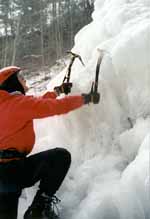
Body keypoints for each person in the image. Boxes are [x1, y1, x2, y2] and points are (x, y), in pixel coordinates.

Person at [0, 66, 100, 219]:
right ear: (11, 83)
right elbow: (53, 107)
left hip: (5, 175)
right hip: (13, 170)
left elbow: (37, 103)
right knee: (60, 157)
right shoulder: (17, 103)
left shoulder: (6, 105)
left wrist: (57, 91)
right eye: (20, 77)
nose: (24, 79)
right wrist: (86, 98)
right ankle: (39, 209)